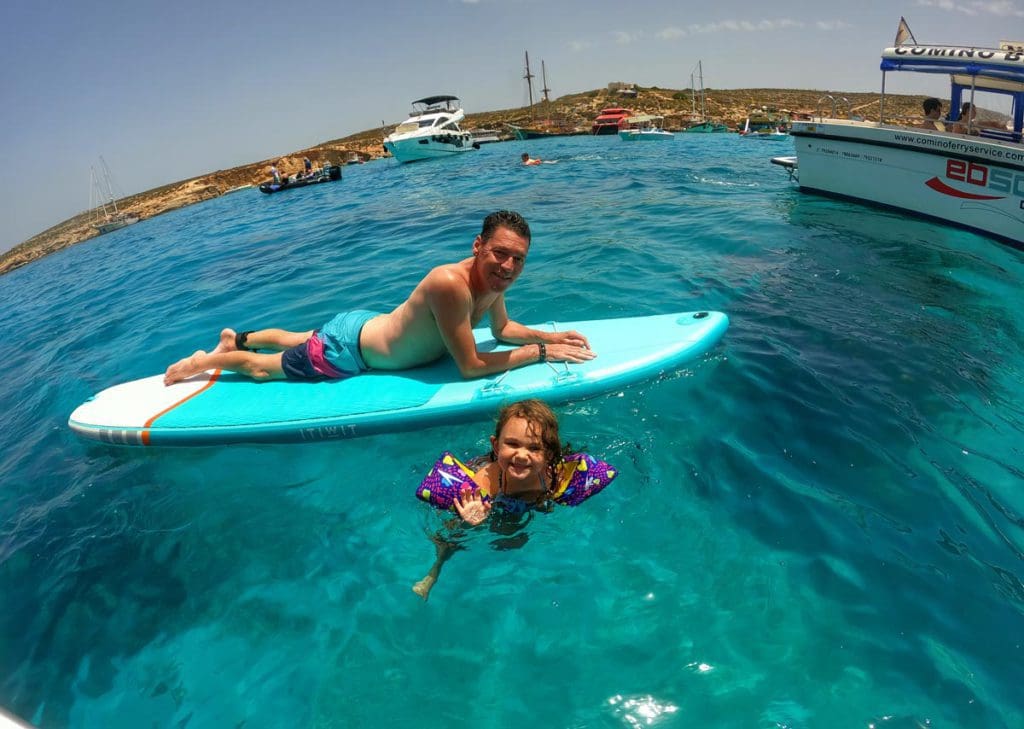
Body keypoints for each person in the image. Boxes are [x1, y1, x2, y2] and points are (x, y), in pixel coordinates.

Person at [163, 211, 595, 385]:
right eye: (500, 254)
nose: (508, 266)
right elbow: (470, 366)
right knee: (260, 370)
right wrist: (542, 354)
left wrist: (550, 337)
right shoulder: (451, 284)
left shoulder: (493, 282)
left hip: (364, 325)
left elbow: (502, 330)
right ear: (477, 245)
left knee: (299, 337)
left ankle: (236, 337)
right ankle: (207, 360)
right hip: (351, 352)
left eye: (518, 259)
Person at [413, 399, 612, 600]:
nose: (522, 455)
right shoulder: (484, 481)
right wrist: (471, 523)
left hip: (534, 497)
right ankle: (434, 571)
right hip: (499, 499)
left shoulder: (555, 477)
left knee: (517, 540)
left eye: (534, 448)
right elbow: (453, 526)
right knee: (492, 541)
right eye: (512, 444)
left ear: (549, 454)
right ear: (496, 446)